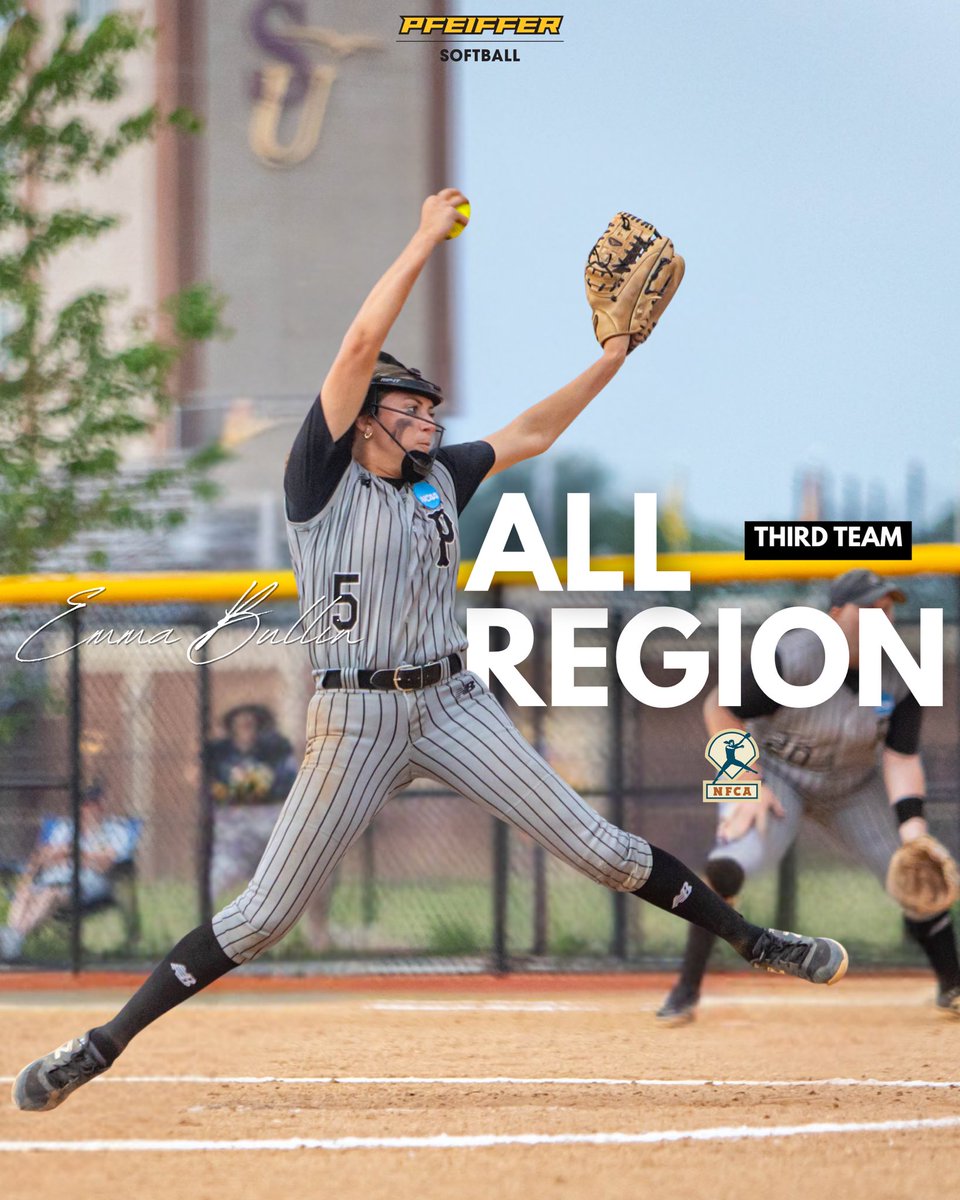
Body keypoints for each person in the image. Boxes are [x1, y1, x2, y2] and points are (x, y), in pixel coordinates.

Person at [13, 188, 849, 1113]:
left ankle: (757, 943)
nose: (425, 420)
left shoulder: (441, 477)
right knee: (262, 916)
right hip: (355, 719)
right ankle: (99, 1045)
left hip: (455, 705)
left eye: (427, 409)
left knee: (602, 848)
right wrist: (421, 238)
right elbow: (357, 347)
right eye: (408, 407)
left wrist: (613, 355)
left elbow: (535, 430)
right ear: (365, 418)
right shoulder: (319, 477)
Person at [657, 568, 960, 1025]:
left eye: (888, 609)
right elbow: (719, 707)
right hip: (776, 775)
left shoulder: (902, 674)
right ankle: (685, 990)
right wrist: (745, 782)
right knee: (732, 861)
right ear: (836, 614)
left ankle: (952, 985)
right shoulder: (793, 656)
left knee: (915, 872)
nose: (882, 618)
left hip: (852, 787)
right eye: (869, 608)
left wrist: (913, 829)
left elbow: (901, 759)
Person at [203, 704, 333, 952]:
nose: (245, 728)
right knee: (212, 883)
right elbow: (196, 778)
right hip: (234, 839)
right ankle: (207, 944)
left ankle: (318, 935)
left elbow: (291, 781)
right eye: (240, 723)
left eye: (251, 723)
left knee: (315, 872)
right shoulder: (219, 753)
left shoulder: (275, 749)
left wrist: (258, 785)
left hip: (271, 834)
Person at [0, 784, 133, 962]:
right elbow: (42, 856)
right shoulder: (65, 828)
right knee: (25, 892)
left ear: (102, 805)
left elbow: (107, 863)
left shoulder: (115, 829)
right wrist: (56, 855)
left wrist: (75, 854)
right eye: (85, 804)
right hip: (52, 878)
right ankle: (12, 941)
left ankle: (11, 941)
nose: (89, 809)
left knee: (50, 893)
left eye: (94, 804)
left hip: (86, 885)